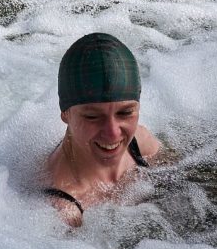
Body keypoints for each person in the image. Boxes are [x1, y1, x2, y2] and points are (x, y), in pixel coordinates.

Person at [43, 32, 161, 226]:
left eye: (125, 113)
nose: (113, 133)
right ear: (65, 113)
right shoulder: (64, 209)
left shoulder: (140, 142)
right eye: (92, 116)